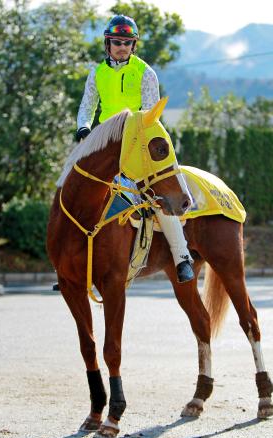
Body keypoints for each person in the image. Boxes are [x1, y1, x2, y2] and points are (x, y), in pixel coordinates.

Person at [76, 14, 194, 283]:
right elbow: (87, 106)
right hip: (103, 145)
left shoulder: (146, 72)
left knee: (156, 196)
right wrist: (83, 126)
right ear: (108, 43)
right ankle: (72, 260)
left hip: (135, 146)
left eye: (127, 43)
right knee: (74, 187)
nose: (122, 46)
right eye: (117, 41)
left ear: (133, 46)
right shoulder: (96, 72)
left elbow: (150, 116)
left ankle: (182, 257)